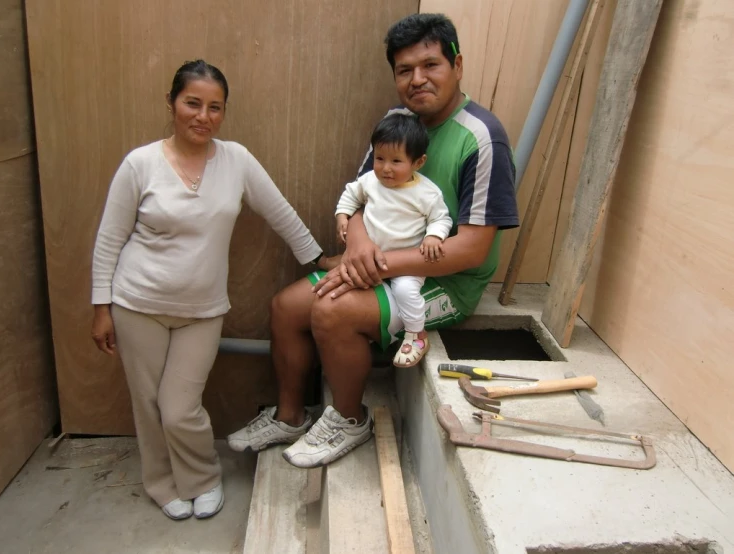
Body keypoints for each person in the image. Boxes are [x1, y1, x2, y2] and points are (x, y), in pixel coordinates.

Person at [227, 13, 519, 469]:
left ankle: (348, 419)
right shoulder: (398, 121)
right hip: (379, 260)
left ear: (457, 65)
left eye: (430, 65)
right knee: (286, 307)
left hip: (444, 281)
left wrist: (375, 264)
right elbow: (363, 195)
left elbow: (472, 249)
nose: (417, 80)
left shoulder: (482, 139)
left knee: (332, 311)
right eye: (405, 70)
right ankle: (289, 417)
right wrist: (359, 244)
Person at [90, 60, 331, 520]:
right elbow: (109, 239)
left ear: (223, 112)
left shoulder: (236, 160)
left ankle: (201, 477)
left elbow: (279, 212)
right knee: (147, 405)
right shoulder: (140, 164)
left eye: (214, 107)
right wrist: (101, 307)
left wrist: (318, 258)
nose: (203, 115)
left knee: (179, 408)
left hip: (202, 311)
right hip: (136, 304)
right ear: (172, 103)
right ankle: (161, 484)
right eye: (192, 103)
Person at [334, 113, 452, 368]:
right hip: (371, 260)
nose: (385, 168)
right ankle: (365, 334)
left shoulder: (427, 193)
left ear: (418, 162)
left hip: (406, 265)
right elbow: (350, 195)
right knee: (352, 286)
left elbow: (442, 219)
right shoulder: (370, 182)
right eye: (379, 158)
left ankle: (416, 334)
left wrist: (434, 235)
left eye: (396, 161)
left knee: (405, 291)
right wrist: (342, 216)